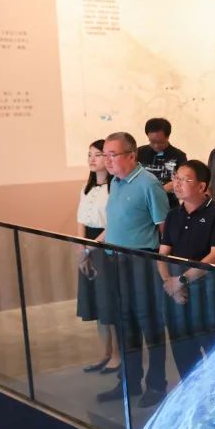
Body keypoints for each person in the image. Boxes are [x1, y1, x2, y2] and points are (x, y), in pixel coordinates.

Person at [97, 131, 171, 406]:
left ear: (131, 155)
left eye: (112, 155)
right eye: (105, 155)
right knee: (124, 322)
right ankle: (128, 382)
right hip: (116, 261)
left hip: (142, 261)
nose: (107, 160)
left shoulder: (148, 184)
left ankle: (157, 385)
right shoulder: (116, 183)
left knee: (149, 323)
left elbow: (164, 228)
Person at [155, 160, 215, 401]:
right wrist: (169, 282)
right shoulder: (173, 214)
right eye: (176, 178)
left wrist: (181, 281)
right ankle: (193, 400)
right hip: (175, 291)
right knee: (183, 352)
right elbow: (163, 252)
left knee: (214, 350)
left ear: (201, 186)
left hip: (206, 291)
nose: (177, 184)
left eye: (185, 180)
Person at [75, 138, 119, 375]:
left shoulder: (115, 187)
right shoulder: (86, 187)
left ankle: (117, 355)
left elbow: (113, 224)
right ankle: (105, 352)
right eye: (89, 154)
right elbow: (81, 219)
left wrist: (90, 248)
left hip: (105, 246)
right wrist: (82, 247)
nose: (92, 159)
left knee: (108, 302)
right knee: (96, 304)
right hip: (88, 247)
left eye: (98, 154)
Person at [137, 118, 187, 208]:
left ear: (168, 137)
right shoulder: (139, 153)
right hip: (143, 205)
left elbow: (185, 181)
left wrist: (173, 185)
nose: (156, 146)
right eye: (152, 141)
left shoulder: (179, 156)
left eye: (160, 142)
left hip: (168, 206)